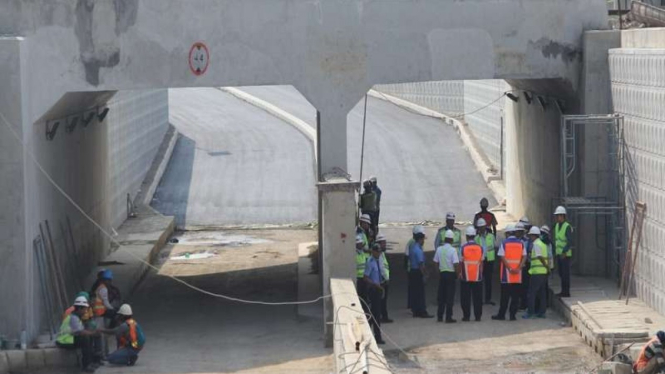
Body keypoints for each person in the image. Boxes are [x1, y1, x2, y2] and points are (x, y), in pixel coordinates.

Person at [56, 296, 100, 372]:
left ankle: (92, 360)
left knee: (88, 336)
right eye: (84, 309)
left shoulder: (77, 317)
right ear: (79, 309)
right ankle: (86, 365)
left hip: (69, 339)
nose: (85, 311)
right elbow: (80, 332)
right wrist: (92, 333)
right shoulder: (73, 318)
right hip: (64, 340)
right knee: (85, 338)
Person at [492, 224, 526, 321]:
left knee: (505, 297)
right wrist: (518, 268)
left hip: (506, 276)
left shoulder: (504, 243)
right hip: (517, 276)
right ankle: (512, 315)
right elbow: (524, 256)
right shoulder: (521, 243)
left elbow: (502, 257)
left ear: (507, 233)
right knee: (515, 297)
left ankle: (501, 315)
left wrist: (510, 268)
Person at [433, 229, 460, 323]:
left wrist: (438, 274)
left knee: (441, 296)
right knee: (450, 297)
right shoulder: (453, 250)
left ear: (444, 239)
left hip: (442, 274)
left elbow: (435, 262)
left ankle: (439, 316)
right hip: (451, 275)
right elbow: (456, 264)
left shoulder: (439, 249)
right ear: (452, 240)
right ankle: (448, 317)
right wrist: (457, 275)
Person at [523, 226, 549, 319]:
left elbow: (539, 257)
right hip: (543, 272)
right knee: (542, 293)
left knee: (531, 293)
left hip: (537, 272)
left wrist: (546, 266)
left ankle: (530, 312)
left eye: (530, 235)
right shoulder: (543, 244)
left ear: (533, 236)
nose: (530, 237)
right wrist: (547, 268)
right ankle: (542, 312)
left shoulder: (536, 244)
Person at [459, 226, 484, 322]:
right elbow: (482, 262)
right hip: (477, 277)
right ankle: (478, 316)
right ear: (474, 236)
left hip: (466, 277)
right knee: (478, 298)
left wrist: (460, 273)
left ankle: (466, 316)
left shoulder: (463, 248)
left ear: (466, 236)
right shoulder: (480, 248)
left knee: (465, 298)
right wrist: (480, 273)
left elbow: (460, 262)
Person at [363, 245, 386, 344]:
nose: (379, 253)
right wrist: (374, 284)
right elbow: (365, 277)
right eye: (377, 252)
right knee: (375, 314)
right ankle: (377, 337)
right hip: (374, 290)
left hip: (380, 287)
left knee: (375, 314)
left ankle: (368, 334)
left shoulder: (380, 260)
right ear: (373, 252)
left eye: (380, 252)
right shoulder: (370, 262)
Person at [409, 230, 433, 318]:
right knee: (420, 292)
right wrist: (425, 275)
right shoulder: (418, 250)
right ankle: (422, 311)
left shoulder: (412, 247)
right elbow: (421, 264)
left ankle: (416, 311)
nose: (424, 241)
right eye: (423, 239)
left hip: (412, 271)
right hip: (417, 272)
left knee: (415, 292)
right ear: (420, 239)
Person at [475, 218, 497, 305]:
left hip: (489, 261)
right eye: (480, 227)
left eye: (482, 226)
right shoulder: (476, 238)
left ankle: (488, 299)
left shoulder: (491, 236)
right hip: (480, 261)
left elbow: (494, 247)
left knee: (488, 280)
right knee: (479, 280)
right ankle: (479, 299)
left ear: (485, 226)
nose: (481, 228)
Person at [553, 206, 572, 297]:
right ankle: (563, 290)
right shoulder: (557, 226)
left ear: (563, 216)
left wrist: (564, 252)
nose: (557, 217)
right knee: (561, 273)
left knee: (565, 274)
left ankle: (566, 292)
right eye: (556, 216)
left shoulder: (567, 227)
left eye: (559, 216)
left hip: (565, 255)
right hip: (559, 254)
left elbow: (570, 241)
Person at [405, 225, 424, 309]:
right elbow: (419, 261)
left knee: (412, 288)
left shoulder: (410, 242)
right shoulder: (415, 244)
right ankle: (416, 306)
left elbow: (406, 255)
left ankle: (412, 305)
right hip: (414, 268)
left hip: (411, 268)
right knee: (417, 290)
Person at [375, 234, 393, 323]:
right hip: (382, 281)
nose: (385, 245)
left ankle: (384, 316)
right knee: (382, 300)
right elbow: (382, 268)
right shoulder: (380, 255)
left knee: (383, 300)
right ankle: (383, 316)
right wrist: (386, 278)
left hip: (383, 280)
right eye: (383, 243)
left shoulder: (382, 254)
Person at [515, 222, 530, 310]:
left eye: (520, 231)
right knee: (517, 287)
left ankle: (523, 304)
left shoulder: (526, 241)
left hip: (523, 266)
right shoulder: (514, 241)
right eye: (517, 231)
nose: (518, 233)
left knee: (524, 286)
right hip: (515, 266)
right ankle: (518, 303)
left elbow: (526, 254)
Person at [540, 225, 554, 308]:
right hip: (546, 267)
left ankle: (545, 304)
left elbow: (549, 255)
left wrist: (548, 267)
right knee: (544, 285)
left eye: (543, 233)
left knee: (544, 286)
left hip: (546, 267)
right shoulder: (546, 243)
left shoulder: (547, 243)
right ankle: (545, 303)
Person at [355, 235, 370, 312]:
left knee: (365, 297)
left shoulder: (362, 253)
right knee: (360, 297)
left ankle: (366, 312)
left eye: (361, 243)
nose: (361, 245)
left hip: (364, 278)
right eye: (359, 243)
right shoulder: (354, 255)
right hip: (358, 279)